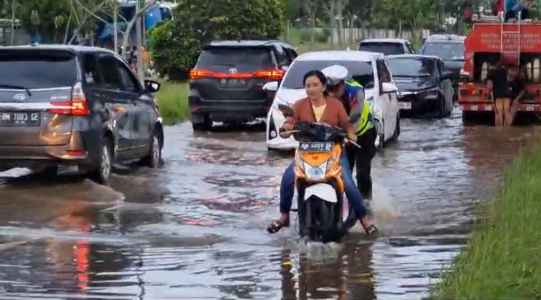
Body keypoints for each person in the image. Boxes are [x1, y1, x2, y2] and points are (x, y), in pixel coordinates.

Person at [266, 70, 378, 236]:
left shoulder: (335, 105)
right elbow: (290, 121)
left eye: (315, 85)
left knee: (348, 183)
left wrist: (350, 134)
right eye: (308, 85)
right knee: (288, 178)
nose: (311, 89)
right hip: (305, 153)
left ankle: (364, 221)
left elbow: (347, 124)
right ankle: (284, 216)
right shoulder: (299, 104)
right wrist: (286, 128)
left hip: (334, 152)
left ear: (324, 86)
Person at [322, 65, 377, 200]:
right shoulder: (324, 93)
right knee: (341, 171)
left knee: (362, 173)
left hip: (364, 134)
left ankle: (366, 203)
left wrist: (340, 128)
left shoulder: (355, 90)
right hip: (341, 135)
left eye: (335, 89)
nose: (332, 93)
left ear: (342, 84)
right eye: (329, 90)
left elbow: (355, 115)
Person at [486, 58, 512, 126]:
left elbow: (490, 86)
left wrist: (489, 95)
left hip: (498, 95)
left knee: (499, 112)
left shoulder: (491, 73)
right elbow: (510, 80)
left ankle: (500, 130)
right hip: (507, 94)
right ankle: (508, 129)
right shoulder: (505, 71)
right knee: (507, 112)